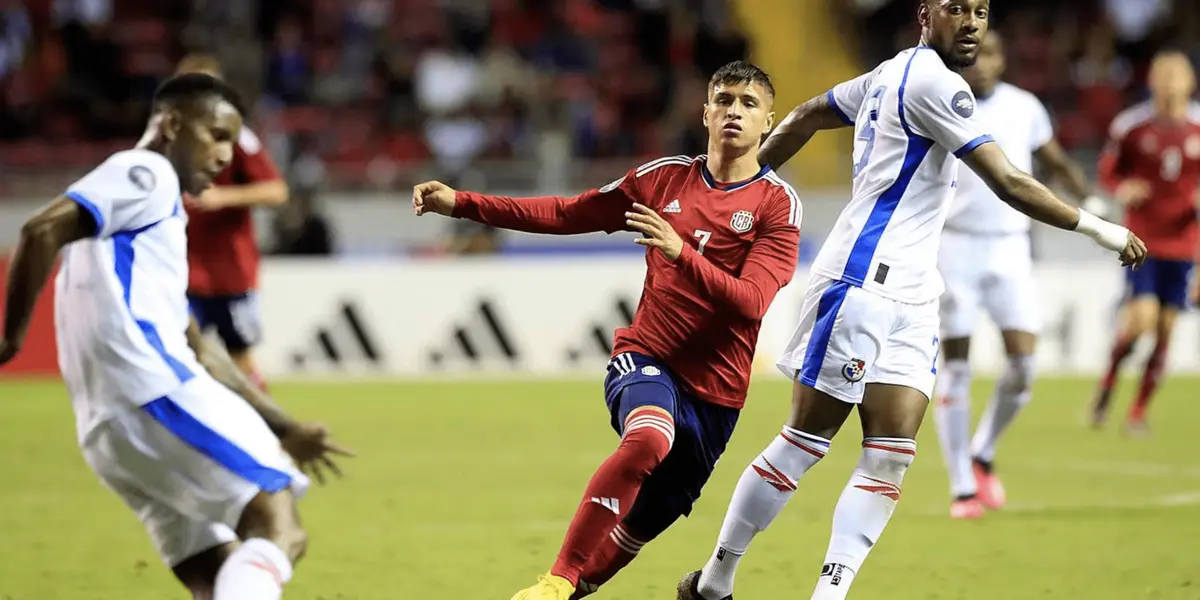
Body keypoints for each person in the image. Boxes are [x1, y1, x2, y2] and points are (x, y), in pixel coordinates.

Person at [677, 2, 1145, 599]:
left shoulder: (887, 73)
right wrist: (1103, 231)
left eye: (981, 11)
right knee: (805, 442)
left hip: (915, 292)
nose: (971, 23)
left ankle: (828, 594)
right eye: (957, 9)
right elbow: (1008, 181)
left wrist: (745, 184)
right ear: (926, 14)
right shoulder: (931, 82)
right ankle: (715, 583)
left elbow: (806, 114)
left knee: (891, 455)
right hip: (861, 282)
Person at [412, 61, 803, 600]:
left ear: (768, 121)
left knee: (629, 538)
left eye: (749, 103)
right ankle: (556, 577)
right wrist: (463, 204)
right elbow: (568, 213)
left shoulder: (777, 204)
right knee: (648, 438)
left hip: (717, 396)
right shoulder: (662, 179)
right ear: (705, 113)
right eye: (724, 99)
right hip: (649, 358)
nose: (734, 111)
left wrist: (680, 252)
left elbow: (752, 302)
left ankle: (570, 587)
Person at [0, 73, 349, 600]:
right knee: (279, 526)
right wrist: (9, 339)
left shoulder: (133, 234)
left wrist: (284, 426)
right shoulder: (147, 173)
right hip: (154, 394)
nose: (226, 155)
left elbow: (200, 348)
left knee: (214, 573)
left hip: (106, 431)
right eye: (216, 135)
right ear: (170, 125)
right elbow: (39, 229)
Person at [931, 29, 1109, 519]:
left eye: (990, 54)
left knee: (1025, 367)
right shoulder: (941, 101)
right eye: (974, 55)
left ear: (1002, 60)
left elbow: (1055, 162)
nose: (981, 63)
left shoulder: (1024, 107)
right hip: (956, 246)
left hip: (1011, 246)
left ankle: (983, 452)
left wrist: (1089, 201)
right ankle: (962, 487)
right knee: (957, 366)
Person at [1089, 49, 1200, 434]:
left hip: (1184, 244)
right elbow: (1108, 170)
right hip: (1143, 241)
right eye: (1163, 76)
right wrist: (1122, 188)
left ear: (1190, 82)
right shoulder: (1131, 127)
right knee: (1141, 321)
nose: (1170, 85)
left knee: (1166, 330)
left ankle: (1137, 412)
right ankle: (1109, 381)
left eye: (1177, 77)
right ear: (1152, 82)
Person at [177, 53, 290, 391]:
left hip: (230, 271)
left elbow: (277, 191)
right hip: (182, 270)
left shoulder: (238, 138)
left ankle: (262, 420)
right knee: (177, 356)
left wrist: (222, 197)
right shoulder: (167, 141)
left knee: (240, 359)